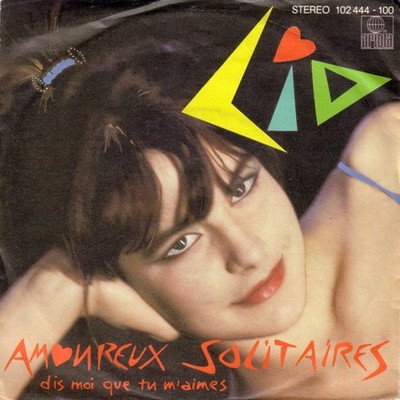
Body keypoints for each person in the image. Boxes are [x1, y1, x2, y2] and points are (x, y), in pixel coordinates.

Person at [0, 1, 398, 399]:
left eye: (241, 188)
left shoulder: (386, 158)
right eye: (181, 243)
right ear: (114, 278)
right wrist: (51, 290)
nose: (247, 252)